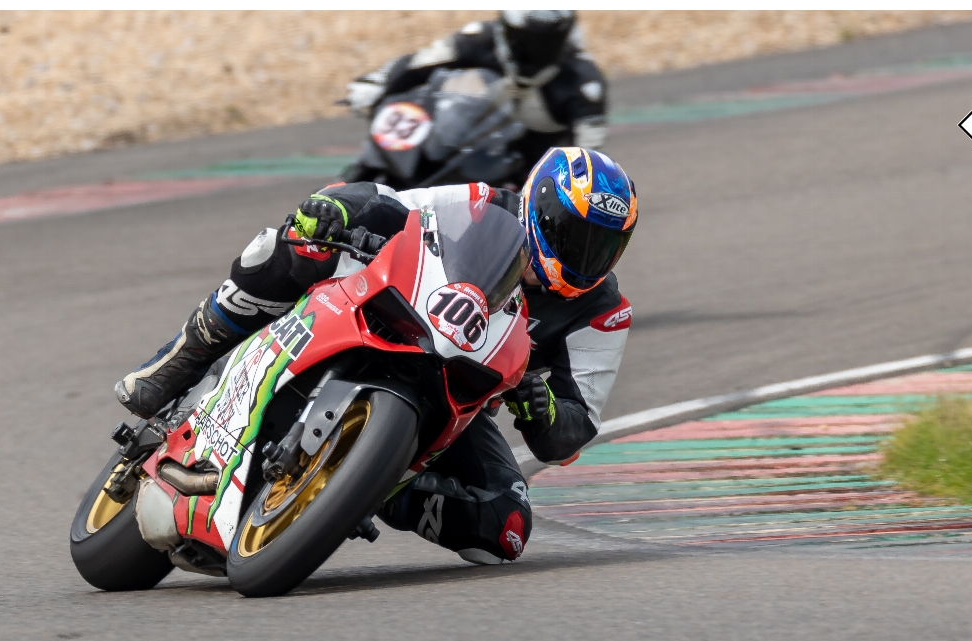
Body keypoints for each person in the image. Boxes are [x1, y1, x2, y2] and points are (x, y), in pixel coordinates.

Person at [116, 146, 637, 565]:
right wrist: (340, 208)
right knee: (299, 240)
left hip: (457, 397)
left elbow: (575, 427)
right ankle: (182, 357)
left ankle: (373, 486)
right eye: (574, 236)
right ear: (540, 207)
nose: (585, 257)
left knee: (507, 530)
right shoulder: (481, 204)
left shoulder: (604, 311)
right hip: (386, 309)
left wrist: (542, 407)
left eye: (603, 247)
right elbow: (391, 203)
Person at [346, 11, 608, 172]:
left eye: (545, 43)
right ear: (506, 29)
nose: (531, 51)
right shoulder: (481, 37)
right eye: (523, 39)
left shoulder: (585, 84)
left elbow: (589, 159)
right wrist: (378, 83)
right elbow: (420, 63)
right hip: (465, 140)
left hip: (529, 172)